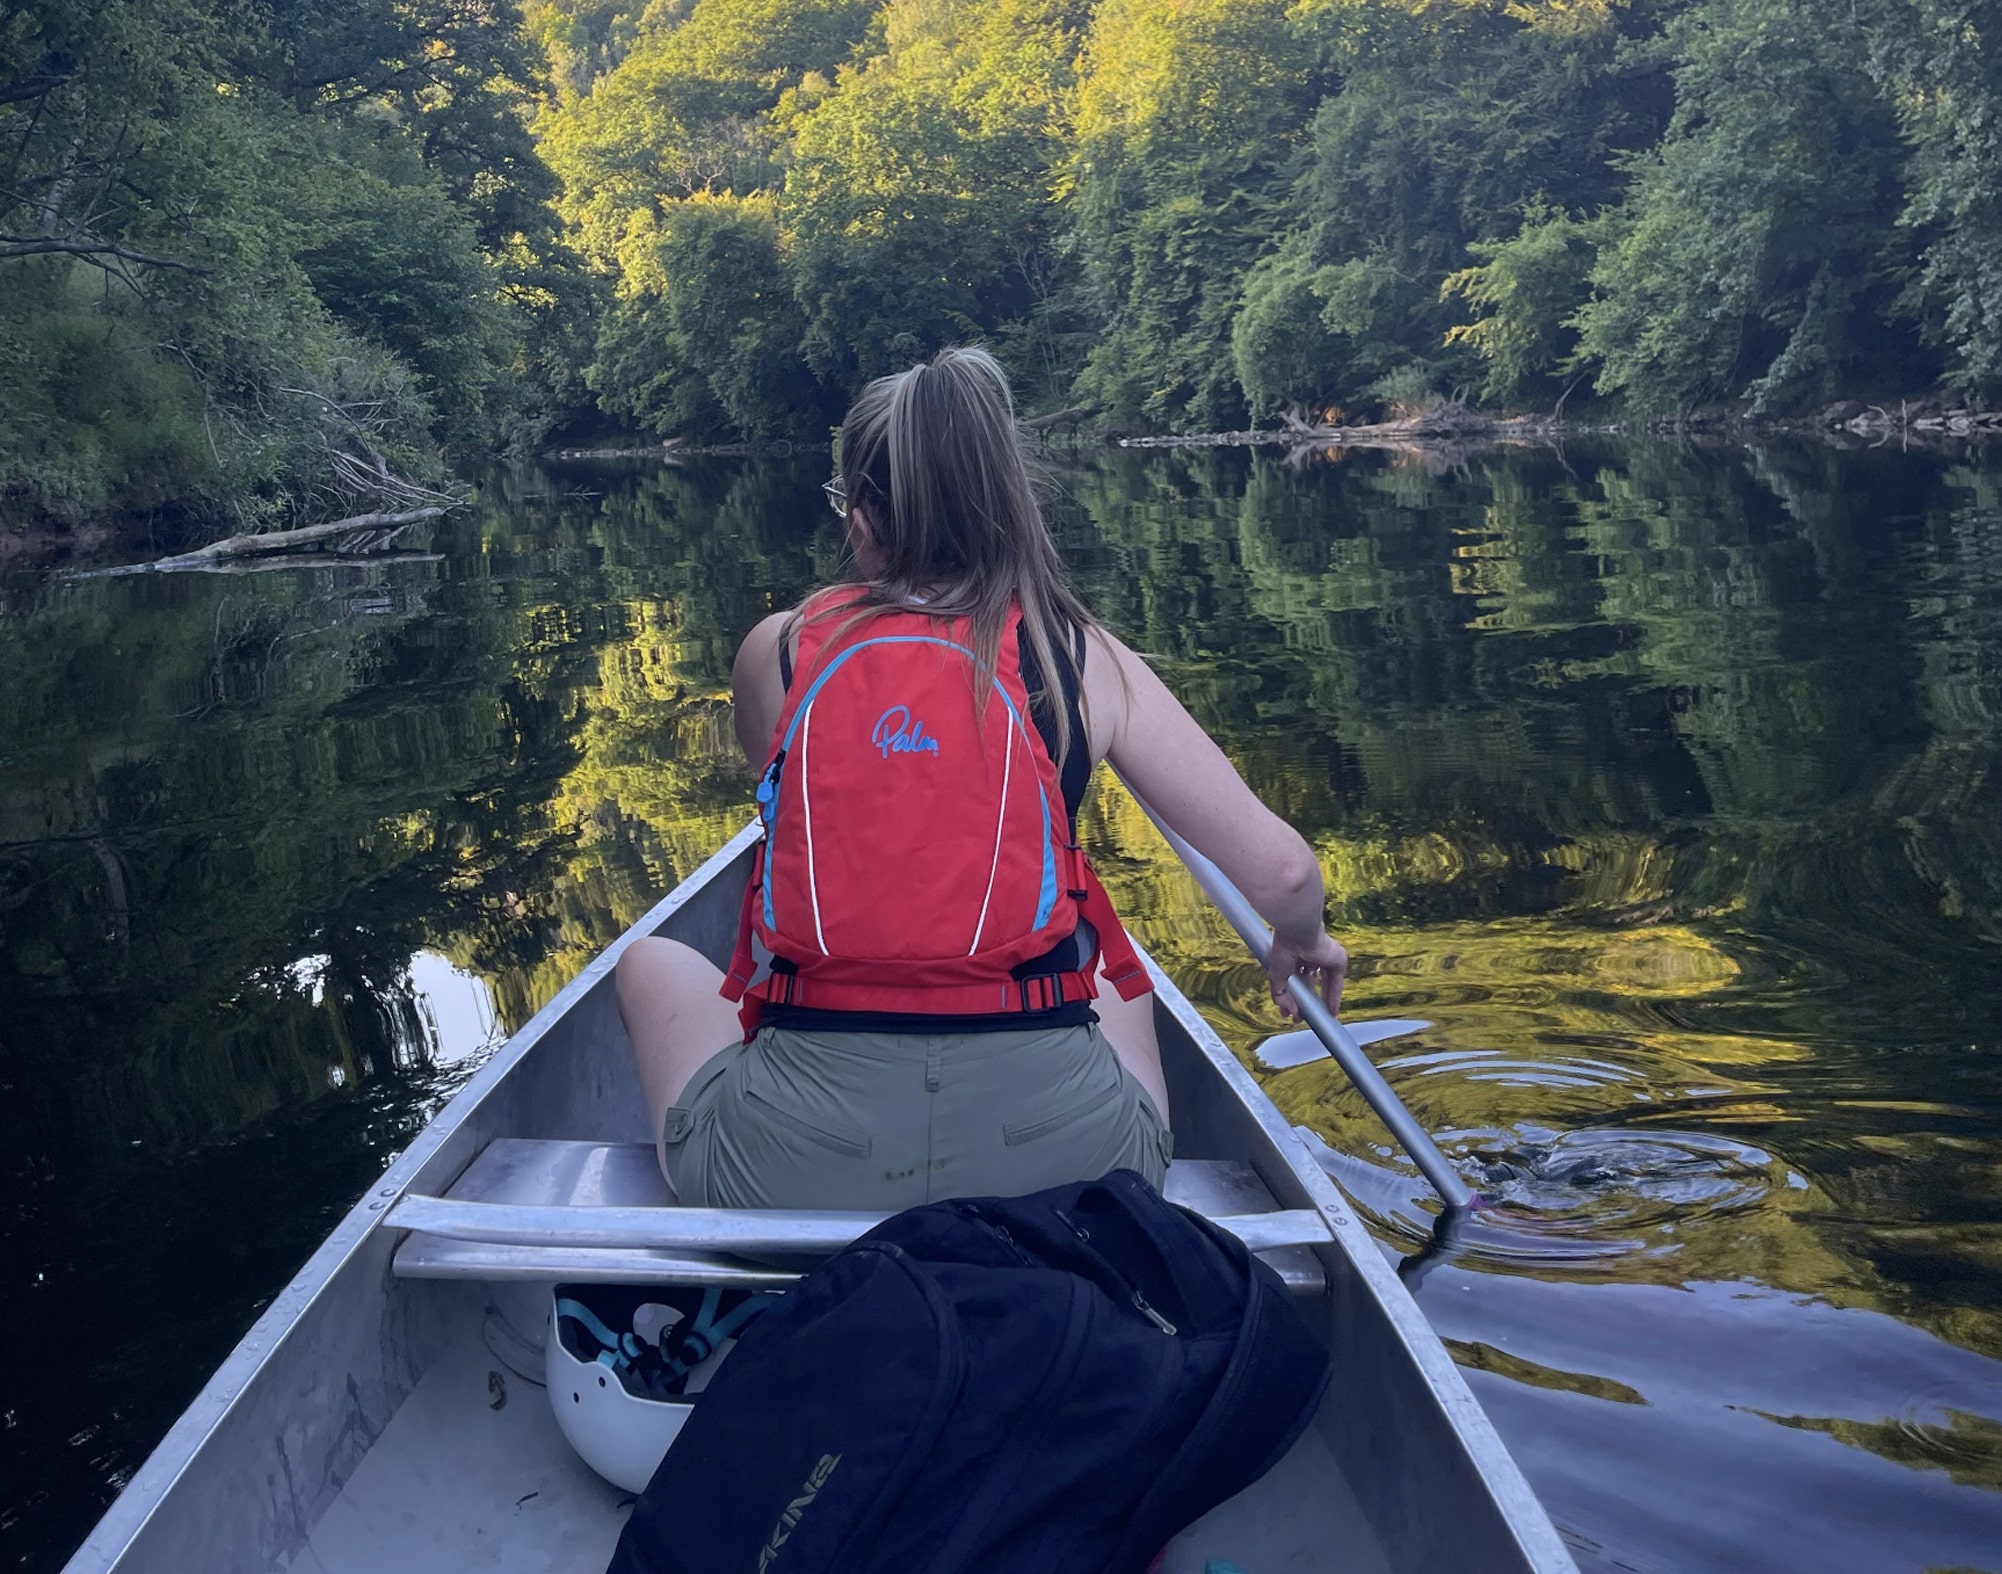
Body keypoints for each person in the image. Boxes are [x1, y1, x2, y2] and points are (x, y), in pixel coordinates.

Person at [615, 345, 1349, 1211]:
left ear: (861, 517)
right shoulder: (1078, 656)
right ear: (1010, 497)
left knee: (649, 962)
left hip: (794, 1162)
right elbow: (1286, 874)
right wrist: (1302, 938)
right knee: (1118, 977)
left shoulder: (779, 649)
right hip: (1064, 1166)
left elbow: (789, 799)